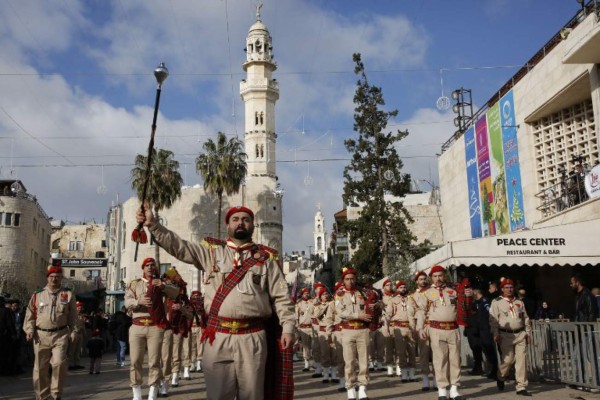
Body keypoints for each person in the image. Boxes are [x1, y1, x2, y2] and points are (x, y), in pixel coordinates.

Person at [136, 204, 296, 400]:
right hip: (217, 337)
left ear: (253, 225)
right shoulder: (211, 254)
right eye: (235, 219)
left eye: (246, 219)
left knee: (253, 395)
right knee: (218, 395)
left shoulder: (266, 261)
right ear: (227, 225)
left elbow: (281, 298)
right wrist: (153, 225)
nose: (240, 223)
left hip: (252, 337)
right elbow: (180, 246)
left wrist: (288, 327)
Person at [125, 257, 180, 400]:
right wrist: (138, 301)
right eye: (147, 265)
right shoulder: (135, 284)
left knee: (154, 361)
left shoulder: (160, 283)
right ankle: (136, 391)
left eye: (152, 265)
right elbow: (127, 301)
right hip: (137, 326)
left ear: (155, 268)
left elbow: (175, 293)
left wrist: (163, 286)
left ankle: (153, 391)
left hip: (155, 326)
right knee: (135, 360)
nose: (150, 267)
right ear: (143, 268)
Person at [24, 265, 78, 400]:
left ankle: (56, 394)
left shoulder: (68, 294)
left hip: (60, 335)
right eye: (52, 277)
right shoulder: (38, 294)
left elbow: (73, 316)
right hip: (41, 335)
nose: (54, 279)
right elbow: (30, 315)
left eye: (57, 277)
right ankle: (42, 396)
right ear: (47, 278)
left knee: (59, 364)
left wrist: (73, 331)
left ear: (61, 278)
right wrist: (29, 330)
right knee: (40, 368)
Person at [417, 265, 465, 400]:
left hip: (453, 329)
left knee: (455, 359)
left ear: (444, 276)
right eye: (435, 276)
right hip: (436, 329)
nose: (438, 278)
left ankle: (454, 389)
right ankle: (442, 390)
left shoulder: (453, 291)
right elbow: (421, 311)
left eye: (440, 275)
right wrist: (420, 328)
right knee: (440, 360)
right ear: (431, 278)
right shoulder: (426, 293)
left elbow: (462, 307)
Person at [489, 278, 531, 396]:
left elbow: (525, 318)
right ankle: (501, 376)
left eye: (511, 287)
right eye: (506, 287)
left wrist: (528, 333)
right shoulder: (496, 302)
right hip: (505, 335)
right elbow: (493, 320)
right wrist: (495, 333)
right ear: (502, 289)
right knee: (508, 360)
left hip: (520, 334)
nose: (509, 289)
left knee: (521, 360)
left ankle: (521, 386)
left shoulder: (519, 302)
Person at [336, 267, 371, 400]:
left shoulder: (363, 292)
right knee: (349, 361)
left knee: (364, 361)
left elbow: (371, 304)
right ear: (343, 280)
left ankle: (362, 388)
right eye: (347, 279)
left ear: (356, 279)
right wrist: (357, 315)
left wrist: (377, 306)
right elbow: (341, 313)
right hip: (348, 330)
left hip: (362, 330)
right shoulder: (339, 295)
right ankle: (350, 388)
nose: (350, 281)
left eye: (352, 279)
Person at [409, 270, 435, 391]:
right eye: (420, 279)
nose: (423, 281)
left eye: (424, 279)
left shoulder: (433, 292)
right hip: (422, 325)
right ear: (416, 281)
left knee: (436, 353)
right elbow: (410, 314)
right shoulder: (412, 296)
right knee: (424, 353)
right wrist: (414, 328)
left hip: (435, 324)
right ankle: (425, 378)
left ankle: (436, 378)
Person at [387, 280, 417, 382]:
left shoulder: (411, 299)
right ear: (397, 289)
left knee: (412, 351)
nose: (403, 289)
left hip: (411, 327)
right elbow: (388, 314)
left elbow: (417, 311)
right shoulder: (392, 300)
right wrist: (387, 326)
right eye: (401, 287)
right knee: (401, 351)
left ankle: (412, 374)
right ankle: (404, 373)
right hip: (398, 327)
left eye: (404, 287)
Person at [324, 281, 346, 392]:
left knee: (352, 359)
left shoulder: (352, 300)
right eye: (340, 288)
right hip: (339, 332)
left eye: (344, 288)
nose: (343, 290)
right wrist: (329, 334)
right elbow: (328, 320)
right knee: (341, 358)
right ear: (336, 290)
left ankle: (352, 380)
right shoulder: (332, 304)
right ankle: (342, 380)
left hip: (352, 330)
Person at [472, 288, 498, 379]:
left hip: (487, 329)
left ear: (476, 292)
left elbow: (489, 314)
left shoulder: (485, 301)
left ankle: (495, 370)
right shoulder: (478, 302)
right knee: (486, 350)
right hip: (481, 330)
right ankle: (491, 370)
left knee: (490, 350)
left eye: (472, 291)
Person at [314, 286, 336, 383]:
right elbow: (317, 315)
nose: (325, 296)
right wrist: (326, 306)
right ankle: (326, 374)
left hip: (332, 330)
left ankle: (334, 374)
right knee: (324, 353)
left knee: (334, 353)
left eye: (326, 294)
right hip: (322, 331)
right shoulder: (317, 306)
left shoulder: (333, 304)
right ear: (320, 297)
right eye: (323, 294)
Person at [380, 278, 396, 376]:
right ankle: (390, 366)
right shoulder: (381, 298)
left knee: (398, 347)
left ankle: (399, 367)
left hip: (396, 323)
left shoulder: (395, 297)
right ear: (384, 287)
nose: (389, 287)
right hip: (386, 323)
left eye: (390, 285)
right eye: (387, 285)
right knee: (388, 346)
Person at [296, 288, 314, 372]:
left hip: (312, 327)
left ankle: (315, 363)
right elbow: (296, 317)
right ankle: (306, 363)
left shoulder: (312, 302)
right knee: (305, 346)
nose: (307, 294)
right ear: (302, 294)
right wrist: (297, 328)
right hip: (303, 328)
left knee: (314, 346)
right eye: (305, 293)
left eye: (308, 293)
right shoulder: (299, 304)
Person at [0, 295, 17, 376]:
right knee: (5, 354)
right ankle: (5, 370)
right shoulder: (5, 311)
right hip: (4, 337)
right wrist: (13, 334)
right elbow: (10, 324)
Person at [68, 301, 86, 370]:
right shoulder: (72, 315)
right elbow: (70, 324)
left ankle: (77, 363)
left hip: (80, 333)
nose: (80, 308)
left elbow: (83, 325)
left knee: (78, 349)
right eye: (79, 307)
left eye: (81, 307)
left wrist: (84, 334)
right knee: (72, 349)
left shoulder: (81, 315)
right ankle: (70, 364)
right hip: (74, 333)